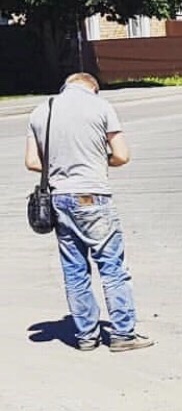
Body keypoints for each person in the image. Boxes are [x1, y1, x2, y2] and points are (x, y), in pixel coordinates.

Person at [24, 73, 153, 352]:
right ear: (93, 88)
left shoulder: (41, 110)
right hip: (92, 197)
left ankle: (86, 337)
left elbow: (32, 162)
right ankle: (122, 334)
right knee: (112, 268)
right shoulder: (101, 107)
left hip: (58, 199)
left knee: (74, 270)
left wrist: (61, 166)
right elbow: (121, 155)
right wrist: (95, 160)